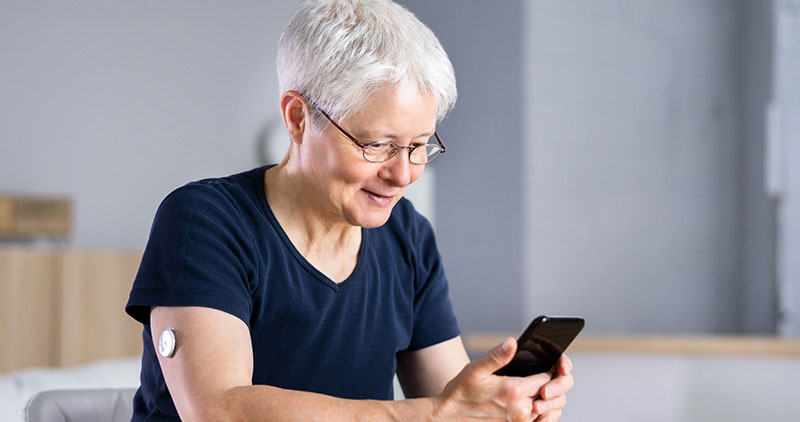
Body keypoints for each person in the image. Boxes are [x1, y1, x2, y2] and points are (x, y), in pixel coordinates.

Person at [125, 0, 574, 421]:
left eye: (419, 146)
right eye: (378, 145)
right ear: (298, 118)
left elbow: (450, 399)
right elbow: (220, 409)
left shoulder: (407, 237)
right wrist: (434, 414)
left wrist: (501, 404)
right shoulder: (203, 222)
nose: (404, 175)